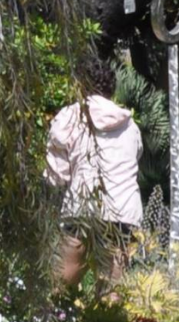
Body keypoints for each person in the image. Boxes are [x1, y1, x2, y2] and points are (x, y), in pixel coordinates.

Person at [43, 52, 143, 291]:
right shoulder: (130, 126)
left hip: (82, 212)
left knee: (57, 289)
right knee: (111, 295)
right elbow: (134, 161)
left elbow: (55, 176)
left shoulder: (69, 117)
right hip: (122, 216)